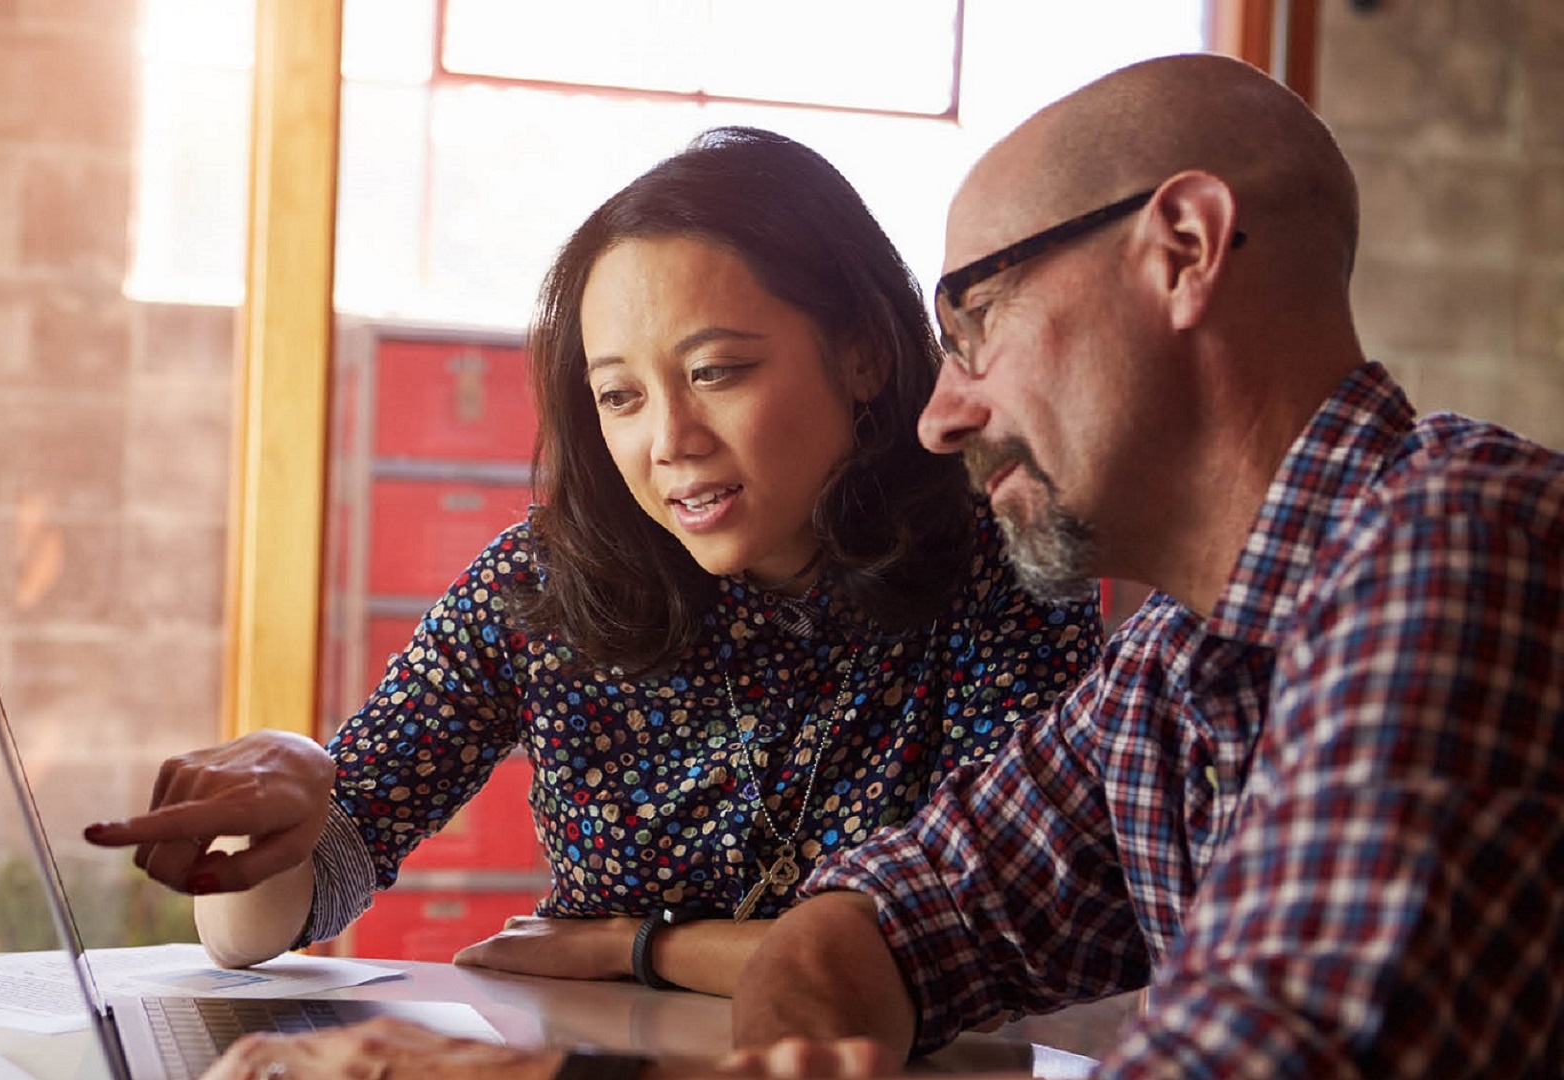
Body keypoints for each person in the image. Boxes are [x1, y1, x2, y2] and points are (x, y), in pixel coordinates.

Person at [191, 52, 1564, 1080]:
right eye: (618, 396)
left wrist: (569, 1067)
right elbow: (876, 931)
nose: (942, 407)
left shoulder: (1450, 546)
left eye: (975, 321)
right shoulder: (1171, 669)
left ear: (1185, 252)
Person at [84, 126, 1101, 997]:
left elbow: (1002, 935)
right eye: (622, 395)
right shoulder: (545, 582)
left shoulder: (997, 564)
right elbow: (266, 926)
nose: (671, 441)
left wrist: (642, 949)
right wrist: (293, 796)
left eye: (716, 372)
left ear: (863, 354)